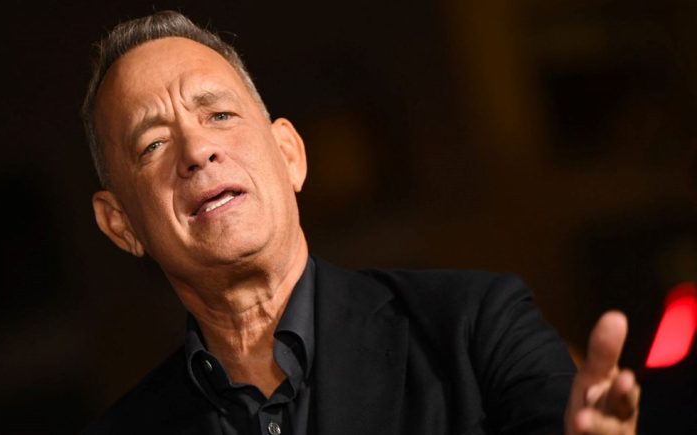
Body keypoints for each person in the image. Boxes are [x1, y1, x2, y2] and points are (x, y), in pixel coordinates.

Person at [81, 11, 640, 434]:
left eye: (220, 115)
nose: (197, 150)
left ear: (290, 155)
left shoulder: (475, 328)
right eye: (153, 144)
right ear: (120, 224)